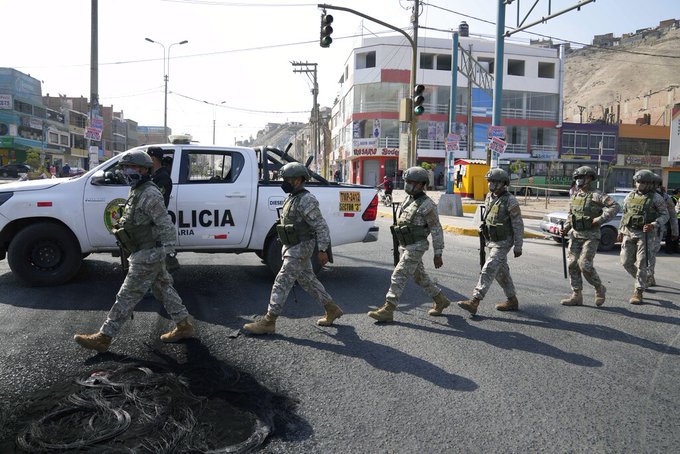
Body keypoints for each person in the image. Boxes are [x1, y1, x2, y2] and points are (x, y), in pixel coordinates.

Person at [74, 150, 194, 352]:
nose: (125, 172)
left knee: (126, 295)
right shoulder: (138, 190)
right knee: (163, 289)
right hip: (143, 252)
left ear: (142, 169)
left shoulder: (149, 193)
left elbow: (165, 224)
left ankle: (104, 337)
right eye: (124, 168)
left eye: (129, 167)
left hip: (148, 255)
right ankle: (184, 325)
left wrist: (167, 252)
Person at [243, 162, 343, 334]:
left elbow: (321, 226)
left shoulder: (306, 199)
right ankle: (331, 308)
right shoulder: (292, 197)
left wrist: (323, 249)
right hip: (292, 246)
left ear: (297, 180)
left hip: (301, 247)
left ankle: (269, 321)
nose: (284, 182)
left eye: (287, 179)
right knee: (308, 280)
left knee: (282, 281)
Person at [367, 166, 449, 322]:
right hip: (406, 245)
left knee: (399, 274)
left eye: (411, 182)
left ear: (421, 184)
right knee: (420, 277)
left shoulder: (428, 205)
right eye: (406, 181)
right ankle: (441, 300)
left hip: (416, 246)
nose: (407, 185)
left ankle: (388, 309)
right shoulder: (408, 199)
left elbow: (436, 230)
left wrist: (438, 253)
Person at [458, 168, 523, 315]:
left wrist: (518, 246)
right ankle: (512, 300)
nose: (491, 184)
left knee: (489, 268)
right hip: (492, 240)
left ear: (503, 183)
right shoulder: (489, 197)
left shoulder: (510, 200)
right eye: (490, 181)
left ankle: (475, 301)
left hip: (503, 242)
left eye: (495, 181)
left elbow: (518, 224)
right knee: (501, 273)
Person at [559, 166, 620, 307]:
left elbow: (615, 206)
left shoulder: (596, 195)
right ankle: (576, 295)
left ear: (590, 178)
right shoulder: (575, 196)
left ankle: (599, 288)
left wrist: (599, 220)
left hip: (591, 236)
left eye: (582, 177)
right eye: (577, 178)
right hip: (575, 235)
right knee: (572, 264)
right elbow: (571, 215)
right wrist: (566, 228)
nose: (579, 180)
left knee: (584, 265)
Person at [617, 169, 669, 304]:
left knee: (642, 263)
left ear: (650, 184)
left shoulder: (656, 198)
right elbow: (625, 214)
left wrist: (653, 224)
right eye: (638, 181)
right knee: (626, 262)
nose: (640, 184)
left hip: (645, 234)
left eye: (643, 182)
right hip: (629, 232)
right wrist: (620, 231)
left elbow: (665, 215)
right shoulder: (630, 196)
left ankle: (638, 291)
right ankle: (643, 279)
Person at [147, 147, 179, 272]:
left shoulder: (163, 178)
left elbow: (155, 203)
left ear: (153, 158)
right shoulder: (153, 176)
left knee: (157, 263)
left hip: (156, 224)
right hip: (153, 224)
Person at [647, 178, 677, 283]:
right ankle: (646, 276)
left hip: (656, 229)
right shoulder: (641, 194)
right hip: (640, 229)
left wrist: (675, 232)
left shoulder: (665, 197)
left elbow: (673, 216)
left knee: (650, 254)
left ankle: (649, 276)